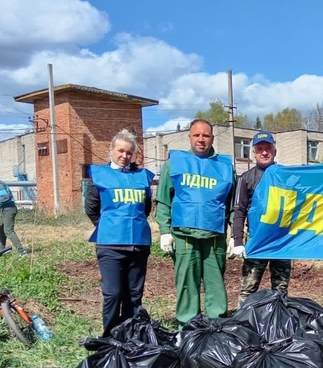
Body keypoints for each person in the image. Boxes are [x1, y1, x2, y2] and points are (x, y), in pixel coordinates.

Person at [156, 119, 236, 327]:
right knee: (186, 284)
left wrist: (235, 235)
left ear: (212, 138)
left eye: (206, 135)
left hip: (214, 237)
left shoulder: (226, 167)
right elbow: (164, 200)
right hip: (184, 236)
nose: (201, 139)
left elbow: (233, 205)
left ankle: (216, 327)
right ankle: (187, 328)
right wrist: (165, 231)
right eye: (196, 135)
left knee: (215, 284)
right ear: (190, 137)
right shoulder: (174, 164)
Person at [84, 129, 154, 337]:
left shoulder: (141, 178)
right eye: (120, 151)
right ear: (111, 150)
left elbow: (146, 207)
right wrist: (108, 225)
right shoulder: (100, 176)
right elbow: (91, 207)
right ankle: (110, 337)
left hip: (138, 245)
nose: (124, 156)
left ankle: (130, 335)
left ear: (134, 155)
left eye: (129, 152)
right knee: (113, 294)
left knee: (134, 295)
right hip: (110, 246)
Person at [230, 131, 291, 307]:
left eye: (268, 148)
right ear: (254, 153)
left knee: (280, 288)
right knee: (248, 287)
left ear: (274, 151)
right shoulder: (245, 178)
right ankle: (243, 321)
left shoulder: (287, 176)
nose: (264, 152)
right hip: (257, 241)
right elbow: (239, 210)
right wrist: (238, 240)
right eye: (260, 149)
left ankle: (279, 319)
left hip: (282, 241)